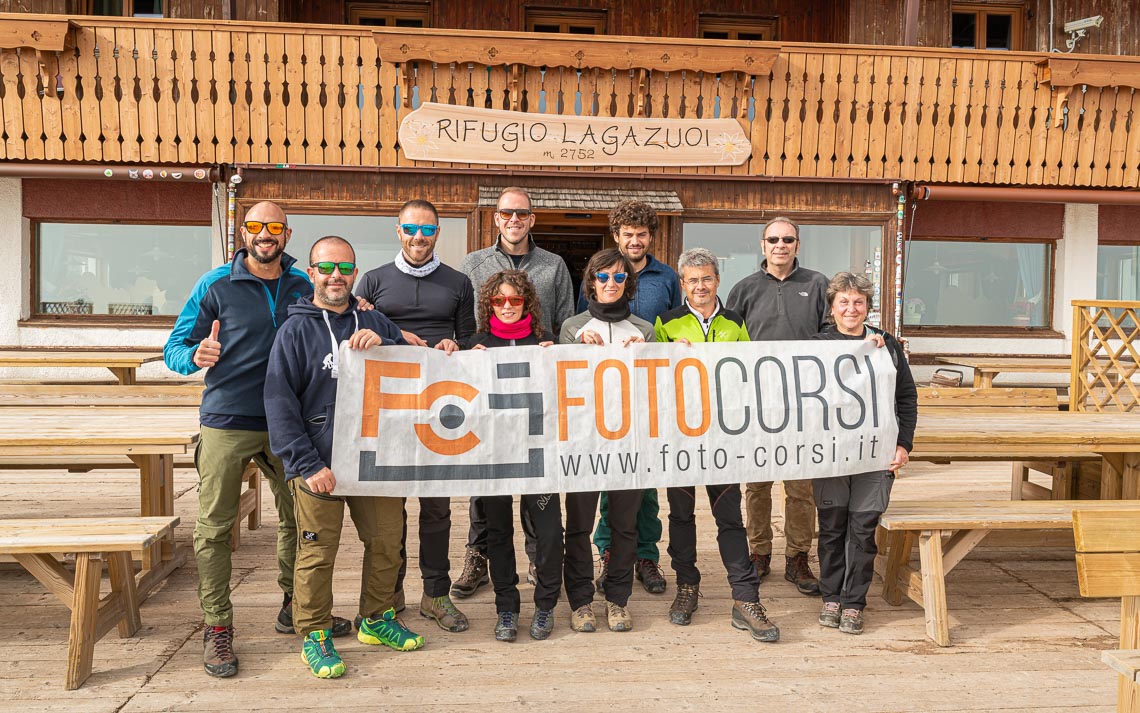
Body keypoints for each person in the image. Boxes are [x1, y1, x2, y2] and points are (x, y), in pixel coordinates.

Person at [164, 201, 352, 679]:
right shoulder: (214, 285)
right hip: (229, 417)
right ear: (241, 231)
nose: (264, 234)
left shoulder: (301, 283)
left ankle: (296, 604)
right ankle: (218, 626)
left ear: (287, 234)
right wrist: (195, 356)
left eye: (273, 227)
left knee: (297, 517)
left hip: (288, 420)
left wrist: (363, 308)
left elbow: (336, 306)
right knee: (213, 525)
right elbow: (173, 348)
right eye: (255, 226)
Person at [264, 236, 424, 679]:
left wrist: (389, 345)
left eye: (345, 267)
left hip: (374, 459)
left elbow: (421, 375)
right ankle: (315, 634)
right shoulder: (294, 330)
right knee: (318, 553)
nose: (336, 276)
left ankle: (376, 619)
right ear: (311, 273)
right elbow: (279, 401)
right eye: (326, 267)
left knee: (386, 542)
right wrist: (305, 463)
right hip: (321, 463)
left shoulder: (376, 320)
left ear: (355, 273)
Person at [354, 199, 476, 633]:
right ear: (398, 231)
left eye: (427, 231)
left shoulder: (459, 282)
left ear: (437, 234)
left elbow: (469, 337)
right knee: (391, 510)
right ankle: (390, 592)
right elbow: (356, 334)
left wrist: (454, 347)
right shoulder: (372, 280)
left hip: (440, 409)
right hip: (389, 409)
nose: (419, 238)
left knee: (437, 508)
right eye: (411, 229)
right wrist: (391, 334)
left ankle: (436, 594)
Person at [654, 248, 779, 642]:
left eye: (706, 278)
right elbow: (653, 377)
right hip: (680, 434)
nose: (700, 286)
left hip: (723, 436)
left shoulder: (734, 320)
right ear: (682, 283)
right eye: (692, 280)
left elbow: (747, 375)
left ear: (717, 281)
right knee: (681, 514)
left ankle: (745, 597)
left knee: (729, 516)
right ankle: (687, 586)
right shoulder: (668, 322)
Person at [455, 187, 575, 598]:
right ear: (495, 218)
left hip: (532, 382)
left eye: (521, 213)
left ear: (532, 219)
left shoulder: (553, 265)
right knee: (484, 477)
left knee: (535, 477)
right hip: (486, 382)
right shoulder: (473, 264)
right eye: (506, 213)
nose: (513, 219)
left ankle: (536, 559)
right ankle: (478, 555)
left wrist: (553, 348)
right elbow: (468, 320)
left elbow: (563, 320)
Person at [577, 201, 681, 597]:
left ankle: (645, 554)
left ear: (650, 237)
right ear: (616, 236)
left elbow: (671, 330)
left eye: (641, 234)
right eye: (627, 234)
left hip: (645, 398)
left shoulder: (667, 277)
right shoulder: (601, 271)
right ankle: (607, 551)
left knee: (646, 483)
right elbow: (579, 329)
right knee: (607, 479)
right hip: (602, 402)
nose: (634, 241)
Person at [725, 216, 827, 597]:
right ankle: (759, 551)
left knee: (801, 486)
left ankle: (798, 556)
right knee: (757, 484)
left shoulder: (818, 284)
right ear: (763, 245)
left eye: (788, 239)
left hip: (804, 403)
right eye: (773, 239)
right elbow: (728, 342)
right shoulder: (744, 289)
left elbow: (835, 333)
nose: (780, 245)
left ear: (797, 245)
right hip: (758, 403)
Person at [812, 272, 917, 634]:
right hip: (831, 455)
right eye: (844, 302)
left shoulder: (885, 345)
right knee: (831, 527)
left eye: (858, 302)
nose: (851, 308)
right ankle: (831, 597)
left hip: (876, 454)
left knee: (862, 529)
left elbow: (906, 397)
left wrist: (904, 444)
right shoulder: (816, 344)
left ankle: (854, 602)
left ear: (868, 307)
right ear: (832, 307)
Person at [463, 269, 563, 642]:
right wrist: (465, 361)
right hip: (494, 453)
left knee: (550, 532)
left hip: (539, 453)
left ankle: (546, 605)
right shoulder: (477, 343)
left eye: (515, 300)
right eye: (499, 300)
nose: (507, 307)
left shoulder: (545, 342)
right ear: (489, 303)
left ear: (527, 304)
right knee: (498, 532)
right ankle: (507, 608)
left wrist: (559, 361)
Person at [560, 247, 655, 632]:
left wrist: (650, 356)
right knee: (579, 525)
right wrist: (576, 352)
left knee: (624, 525)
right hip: (583, 442)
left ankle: (617, 599)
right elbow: (558, 382)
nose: (611, 283)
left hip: (628, 441)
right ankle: (581, 601)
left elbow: (657, 387)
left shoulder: (644, 330)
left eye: (619, 277)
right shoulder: (571, 326)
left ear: (628, 283)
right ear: (592, 282)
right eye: (603, 277)